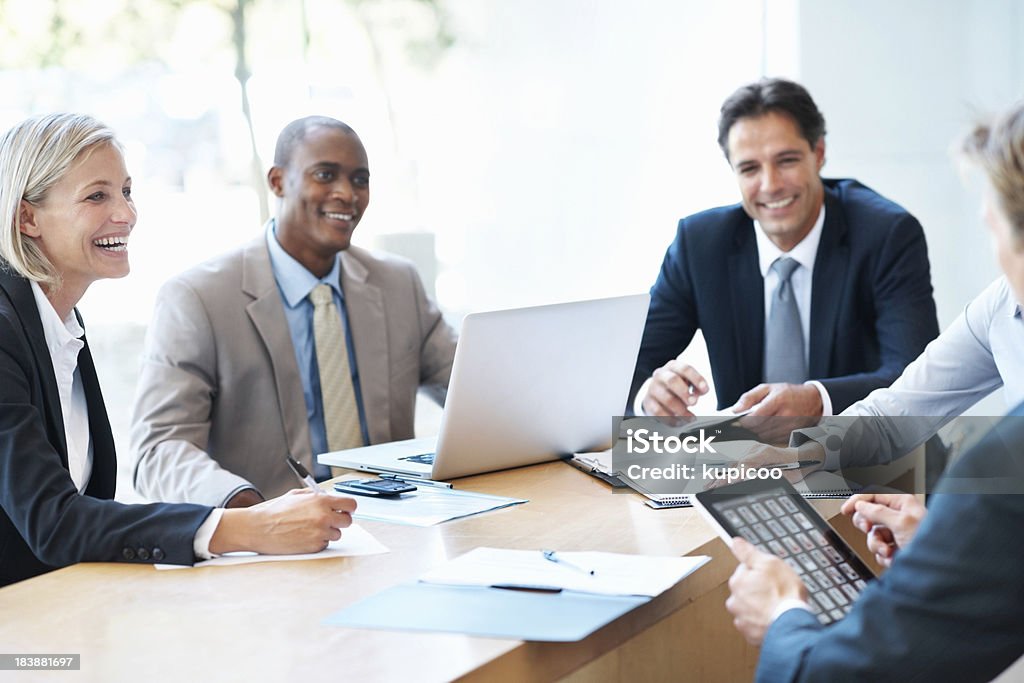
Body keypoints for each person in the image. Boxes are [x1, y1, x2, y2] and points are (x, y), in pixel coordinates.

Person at [723, 102, 1024, 682]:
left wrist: (784, 614)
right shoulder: (999, 306)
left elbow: (838, 676)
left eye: (992, 220)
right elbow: (896, 414)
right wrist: (797, 451)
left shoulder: (1001, 466)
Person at [0, 113, 356, 587]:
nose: (127, 214)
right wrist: (249, 527)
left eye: (126, 191)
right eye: (96, 196)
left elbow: (84, 511)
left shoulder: (58, 323)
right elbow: (53, 522)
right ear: (27, 217)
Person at [130, 116, 457, 508]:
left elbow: (474, 392)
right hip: (271, 533)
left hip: (398, 520)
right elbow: (158, 451)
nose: (346, 194)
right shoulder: (197, 298)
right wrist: (248, 508)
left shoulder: (397, 283)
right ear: (277, 182)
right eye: (325, 175)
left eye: (359, 179)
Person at [631, 78, 938, 421]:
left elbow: (916, 377)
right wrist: (649, 395)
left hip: (866, 460)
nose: (771, 185)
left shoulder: (887, 235)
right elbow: (627, 367)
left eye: (786, 160)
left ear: (818, 153)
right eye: (749, 168)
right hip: (744, 465)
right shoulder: (699, 244)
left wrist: (818, 401)